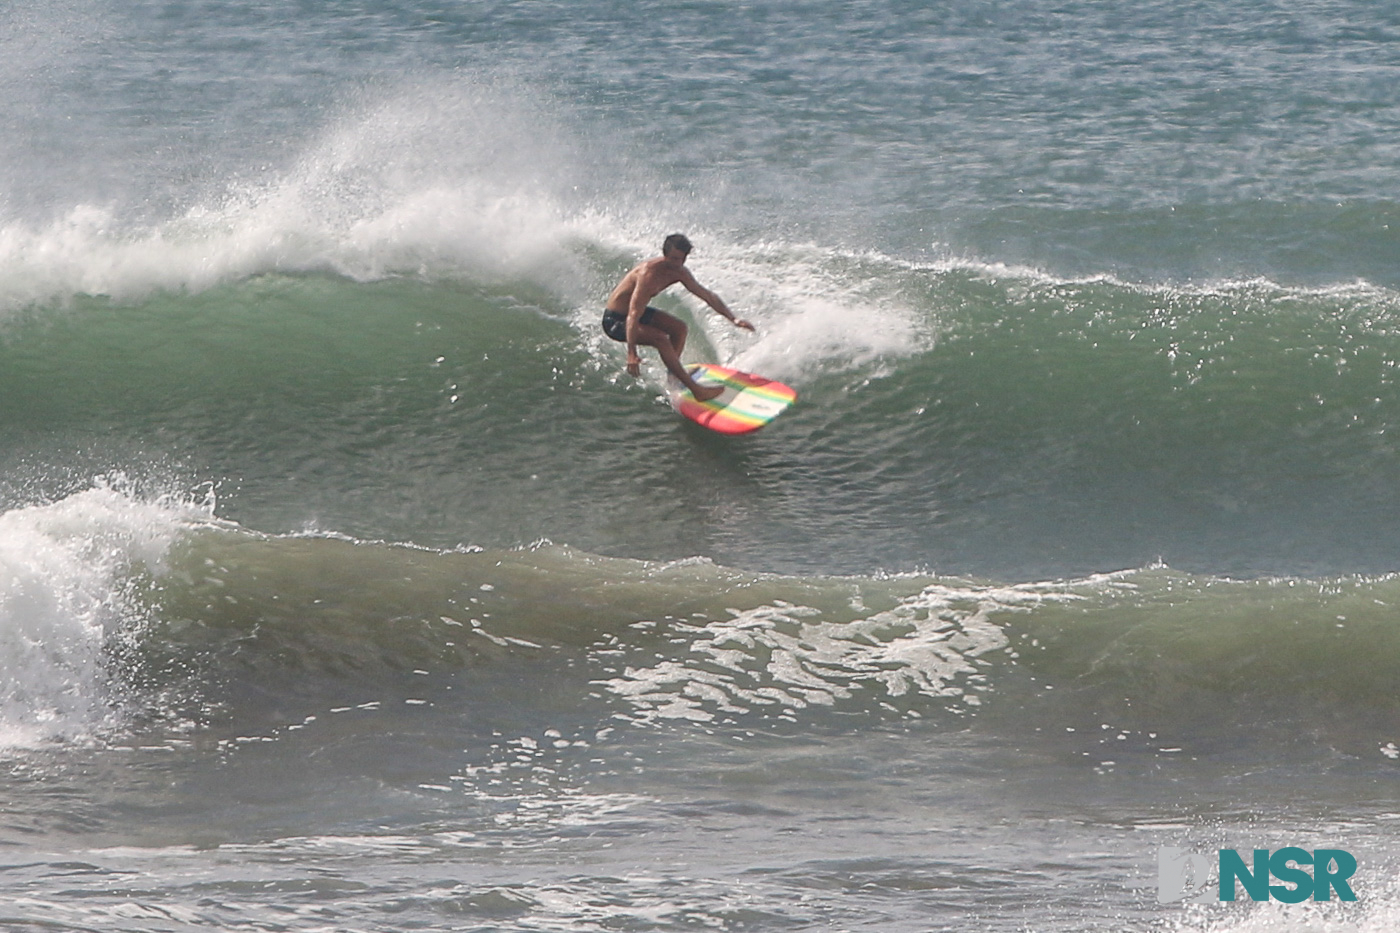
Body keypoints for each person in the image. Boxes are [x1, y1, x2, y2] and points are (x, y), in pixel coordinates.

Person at [603, 234, 753, 402]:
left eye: (681, 260)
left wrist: (733, 319)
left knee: (680, 328)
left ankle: (673, 377)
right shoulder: (648, 274)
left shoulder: (679, 272)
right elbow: (633, 314)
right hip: (615, 321)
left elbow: (707, 295)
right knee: (661, 339)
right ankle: (697, 390)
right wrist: (631, 353)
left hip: (636, 313)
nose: (677, 264)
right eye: (673, 258)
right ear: (665, 254)